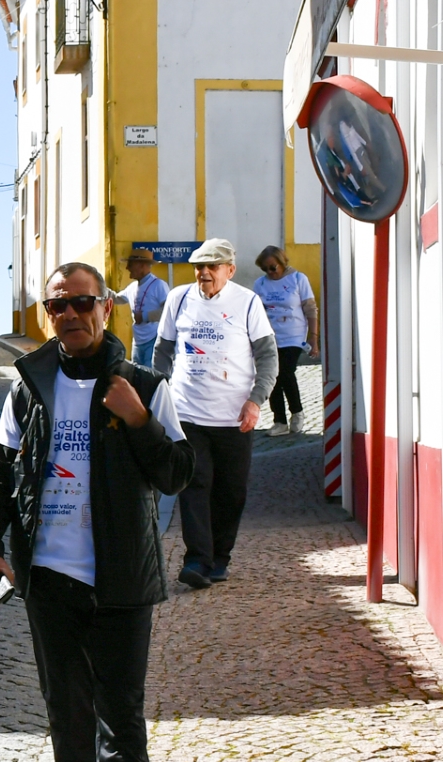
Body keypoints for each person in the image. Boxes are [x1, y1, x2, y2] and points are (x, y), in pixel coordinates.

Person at [0, 262, 193, 762]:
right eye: (56, 306)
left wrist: (141, 420)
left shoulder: (146, 385)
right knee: (65, 706)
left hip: (121, 577)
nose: (68, 315)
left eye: (81, 303)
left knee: (119, 708)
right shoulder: (29, 388)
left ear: (106, 310)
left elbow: (178, 471)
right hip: (48, 577)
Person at [154, 238, 277, 589]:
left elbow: (268, 357)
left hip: (234, 418)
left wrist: (256, 401)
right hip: (188, 413)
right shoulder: (179, 299)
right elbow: (162, 351)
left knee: (231, 491)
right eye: (199, 267)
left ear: (230, 270)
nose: (203, 273)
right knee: (195, 484)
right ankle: (196, 560)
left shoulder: (247, 302)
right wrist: (162, 392)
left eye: (212, 267)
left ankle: (220, 557)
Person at [253, 245, 318, 437]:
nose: (270, 272)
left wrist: (313, 338)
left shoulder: (298, 279)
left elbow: (310, 309)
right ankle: (279, 420)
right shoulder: (260, 284)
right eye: (265, 269)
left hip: (293, 334)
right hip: (270, 334)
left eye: (273, 267)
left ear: (282, 263)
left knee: (286, 372)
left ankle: (297, 412)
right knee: (272, 375)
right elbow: (255, 312)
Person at [119, 249, 168, 368]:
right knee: (137, 374)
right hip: (138, 340)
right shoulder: (132, 287)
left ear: (142, 265)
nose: (127, 268)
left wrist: (145, 316)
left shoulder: (159, 285)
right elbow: (116, 298)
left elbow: (168, 310)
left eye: (130, 264)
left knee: (149, 376)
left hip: (153, 339)